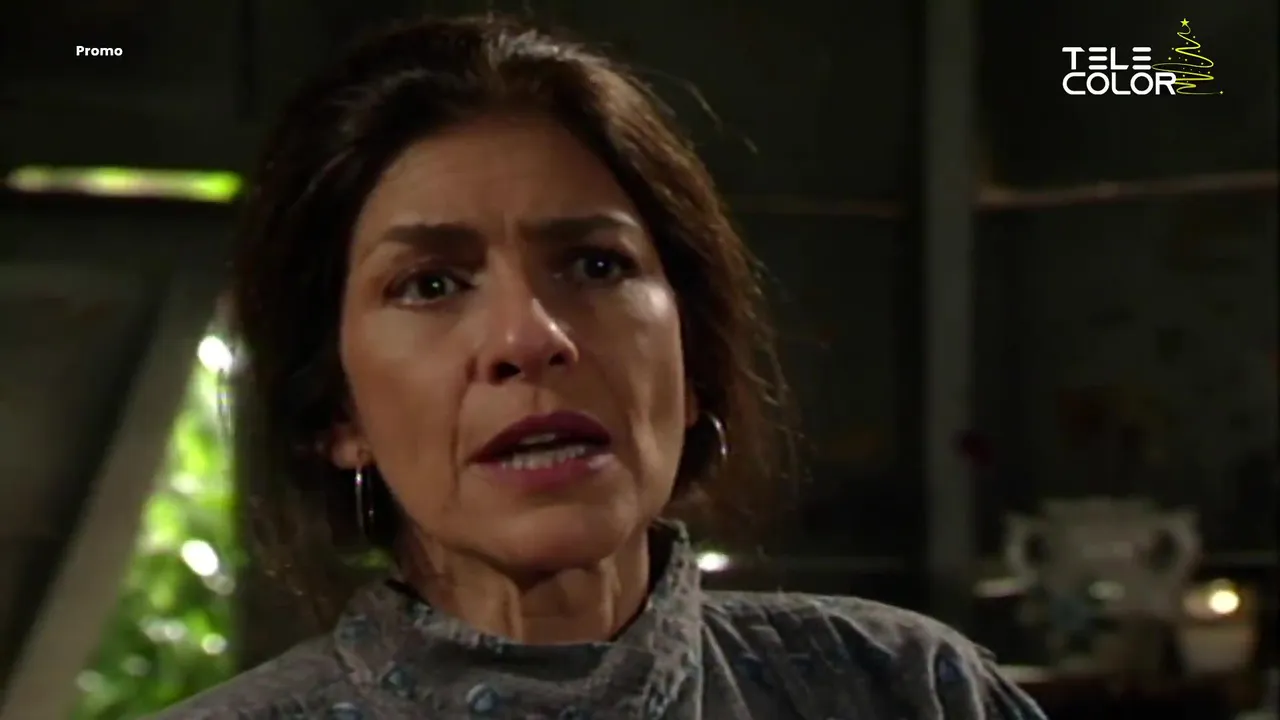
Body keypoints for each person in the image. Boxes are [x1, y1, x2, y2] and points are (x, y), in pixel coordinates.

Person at [155, 14, 1047, 720]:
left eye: (594, 265)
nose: (530, 337)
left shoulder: (905, 692)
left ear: (692, 359)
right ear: (336, 410)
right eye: (430, 285)